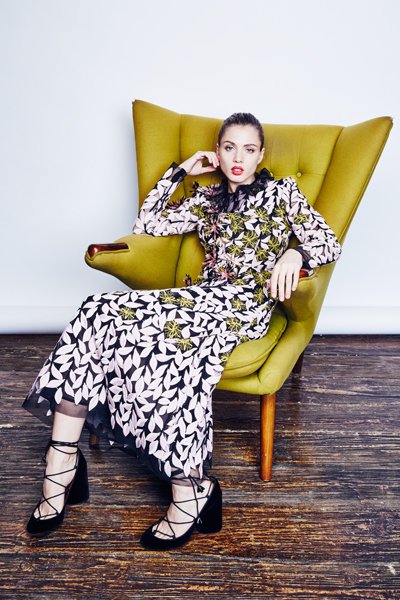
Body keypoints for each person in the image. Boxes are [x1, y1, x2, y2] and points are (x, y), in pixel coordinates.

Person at [22, 112, 342, 550]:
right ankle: (61, 461)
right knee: (96, 308)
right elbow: (148, 224)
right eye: (229, 147)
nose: (238, 157)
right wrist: (181, 171)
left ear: (261, 155)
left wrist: (294, 253)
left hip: (242, 306)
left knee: (173, 355)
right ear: (218, 152)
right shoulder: (206, 198)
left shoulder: (282, 193)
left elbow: (328, 242)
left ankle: (191, 489)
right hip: (199, 297)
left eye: (249, 149)